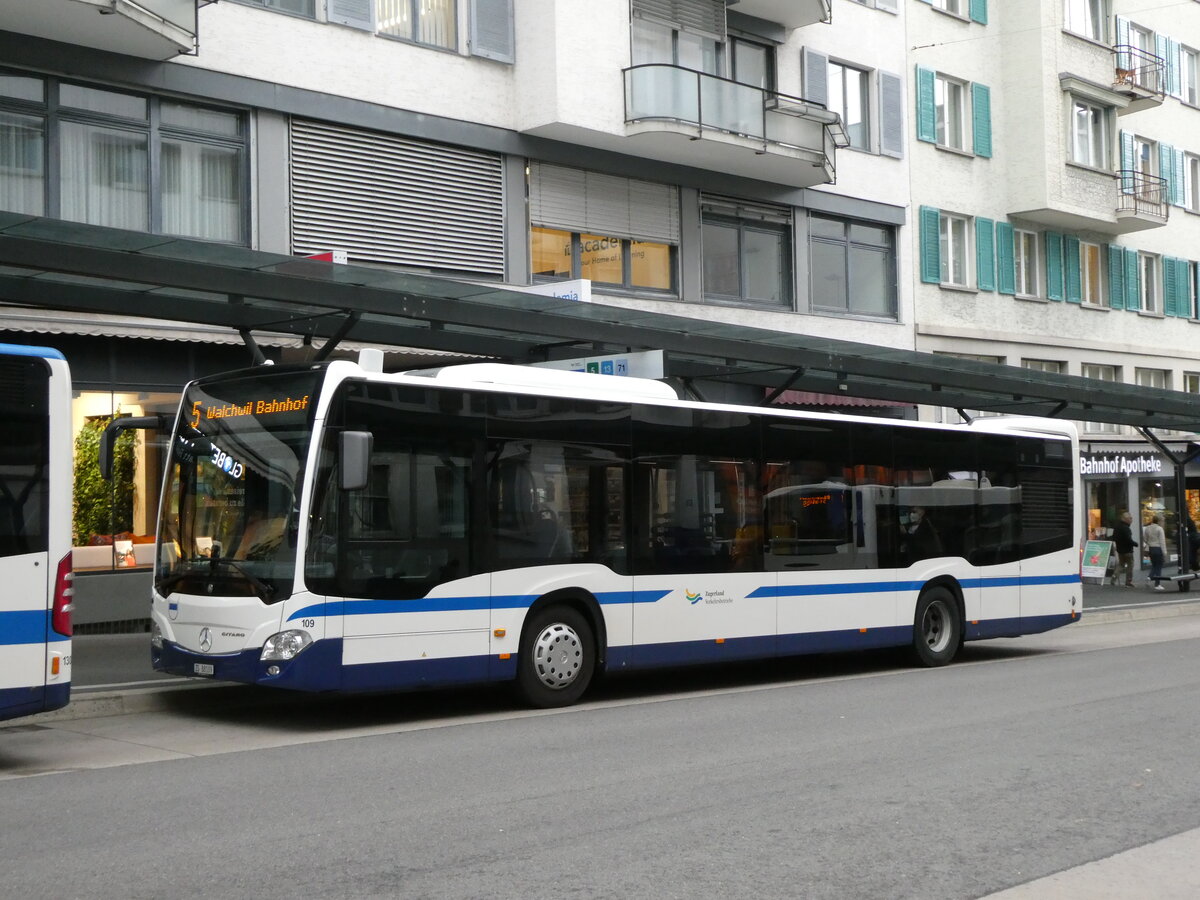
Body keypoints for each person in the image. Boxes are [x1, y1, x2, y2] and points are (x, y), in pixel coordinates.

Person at [1111, 511, 1136, 587]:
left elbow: (1114, 537)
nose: (1131, 520)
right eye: (1130, 518)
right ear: (1126, 519)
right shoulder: (1126, 528)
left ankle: (1114, 577)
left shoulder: (1117, 527)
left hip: (1120, 550)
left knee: (1121, 564)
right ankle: (1128, 581)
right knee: (1130, 565)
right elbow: (1128, 539)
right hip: (1128, 550)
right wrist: (1135, 544)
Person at [1143, 514, 1167, 591]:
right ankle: (1157, 584)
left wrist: (1149, 543)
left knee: (1154, 565)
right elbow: (1162, 542)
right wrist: (1164, 553)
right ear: (1159, 521)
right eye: (1163, 521)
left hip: (1151, 548)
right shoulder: (1159, 529)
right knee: (1159, 566)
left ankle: (1149, 577)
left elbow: (1145, 538)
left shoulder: (1147, 528)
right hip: (1158, 548)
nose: (1163, 522)